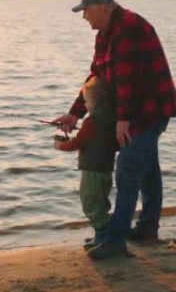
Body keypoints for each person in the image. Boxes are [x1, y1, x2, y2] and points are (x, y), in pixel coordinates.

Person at [53, 0, 176, 259]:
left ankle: (115, 239)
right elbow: (96, 77)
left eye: (86, 11)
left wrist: (123, 119)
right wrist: (75, 113)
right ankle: (147, 229)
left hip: (149, 110)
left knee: (127, 169)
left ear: (103, 7)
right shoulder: (104, 35)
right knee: (147, 170)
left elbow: (129, 81)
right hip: (132, 110)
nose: (84, 17)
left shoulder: (130, 28)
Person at [53, 76, 118, 250]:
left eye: (86, 102)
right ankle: (100, 235)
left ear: (94, 101)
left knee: (90, 202)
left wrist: (60, 145)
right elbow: (93, 137)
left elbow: (77, 143)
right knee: (101, 202)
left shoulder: (92, 121)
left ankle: (103, 238)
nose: (85, 107)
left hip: (92, 169)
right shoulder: (111, 118)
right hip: (106, 169)